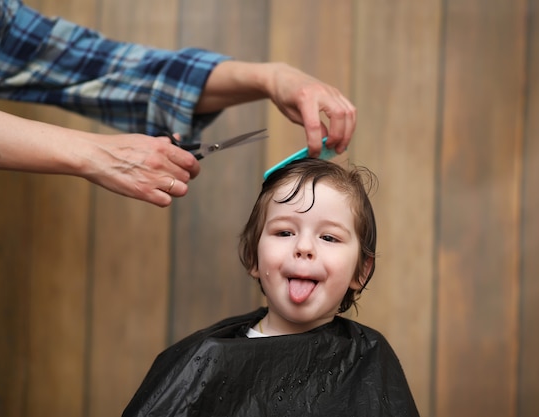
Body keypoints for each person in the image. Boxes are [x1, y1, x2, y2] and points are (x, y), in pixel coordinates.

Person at [0, 0, 356, 207]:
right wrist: (96, 154)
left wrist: (271, 77)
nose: (304, 249)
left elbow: (119, 72)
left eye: (329, 238)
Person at [122, 158, 419, 417]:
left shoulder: (369, 360)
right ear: (253, 257)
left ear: (361, 271)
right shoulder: (202, 358)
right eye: (284, 232)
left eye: (329, 238)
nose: (303, 247)